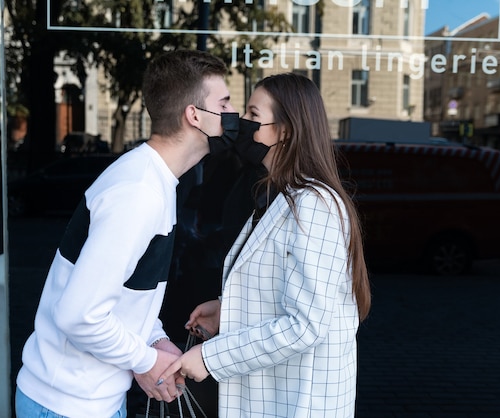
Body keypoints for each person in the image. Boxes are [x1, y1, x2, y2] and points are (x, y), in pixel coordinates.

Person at [15, 49, 238, 418]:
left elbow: (122, 292)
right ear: (194, 115)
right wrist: (145, 359)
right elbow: (78, 314)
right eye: (225, 102)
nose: (234, 114)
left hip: (86, 400)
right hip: (67, 406)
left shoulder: (153, 179)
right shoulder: (138, 193)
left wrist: (154, 339)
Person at [159, 72, 372, 417]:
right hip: (275, 396)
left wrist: (211, 358)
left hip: (300, 403)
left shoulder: (313, 205)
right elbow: (281, 293)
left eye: (253, 115)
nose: (242, 123)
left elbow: (305, 325)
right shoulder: (277, 197)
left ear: (285, 130)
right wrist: (226, 310)